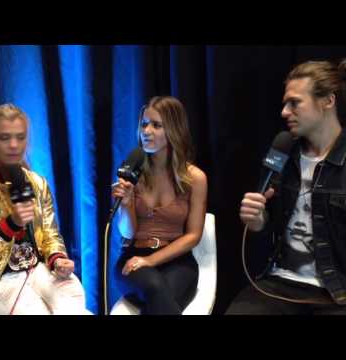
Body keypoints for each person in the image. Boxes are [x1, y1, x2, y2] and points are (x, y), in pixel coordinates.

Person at [227, 59, 346, 315]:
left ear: (328, 101)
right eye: (284, 103)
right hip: (280, 283)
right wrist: (258, 221)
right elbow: (266, 227)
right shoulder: (282, 150)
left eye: (294, 103)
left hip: (337, 292)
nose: (284, 112)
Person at [0, 103, 89, 315]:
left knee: (73, 291)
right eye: (4, 138)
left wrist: (58, 259)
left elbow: (51, 234)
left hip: (38, 271)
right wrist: (9, 225)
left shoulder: (37, 182)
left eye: (20, 137)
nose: (14, 145)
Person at [112, 96, 208, 315]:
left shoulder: (195, 178)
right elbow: (127, 232)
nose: (146, 131)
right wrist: (126, 204)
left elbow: (193, 236)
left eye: (156, 125)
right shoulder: (132, 171)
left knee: (162, 299)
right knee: (156, 288)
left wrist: (150, 260)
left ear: (174, 130)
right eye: (144, 124)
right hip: (133, 257)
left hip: (177, 260)